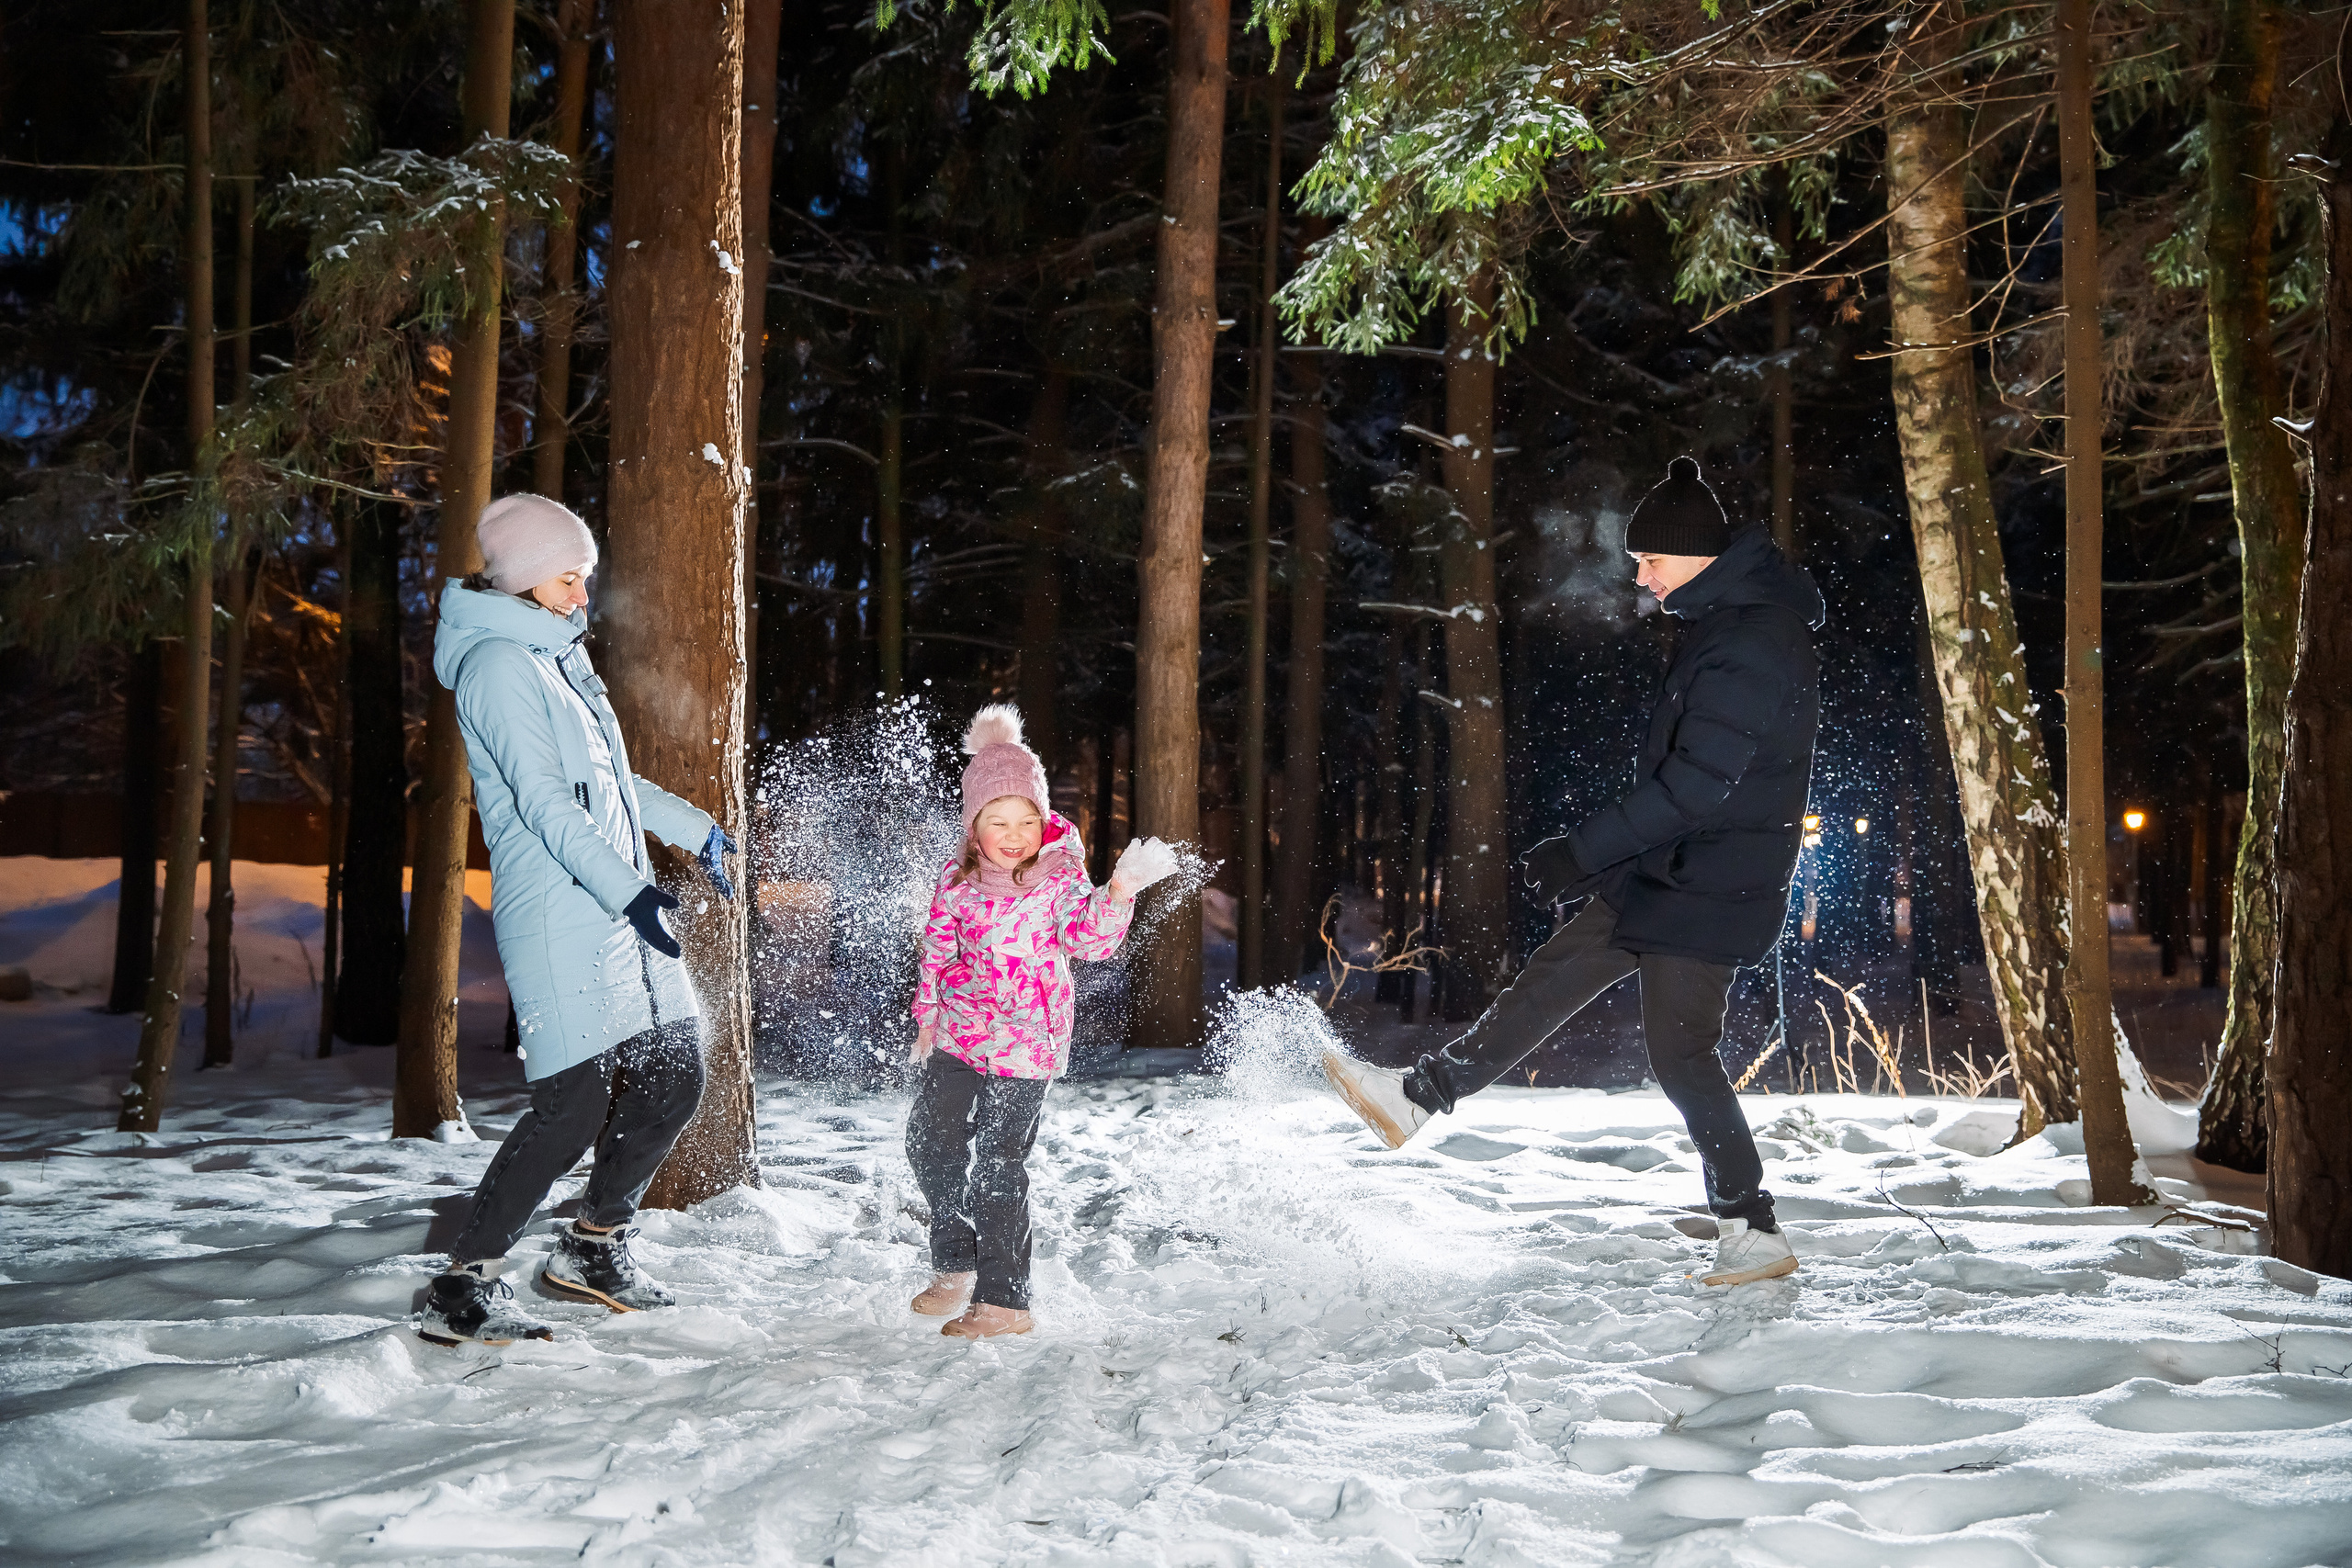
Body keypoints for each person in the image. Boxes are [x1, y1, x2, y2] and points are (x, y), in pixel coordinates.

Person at [1324, 457, 1825, 1289]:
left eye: (1652, 560)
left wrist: (1581, 851)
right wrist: (1598, 857)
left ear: (1699, 556)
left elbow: (1696, 787)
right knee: (1551, 977)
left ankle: (1754, 1230)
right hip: (1673, 867)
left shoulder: (1751, 642)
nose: (1640, 574)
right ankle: (1417, 1096)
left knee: (1682, 1054)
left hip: (1711, 883)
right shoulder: (1730, 624)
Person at [416, 493, 737, 1348]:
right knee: (571, 1105)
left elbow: (610, 787)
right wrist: (631, 893)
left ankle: (593, 1247)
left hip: (619, 903)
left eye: (585, 579)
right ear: (525, 579)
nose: (582, 596)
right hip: (563, 914)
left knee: (677, 1070)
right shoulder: (496, 666)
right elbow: (549, 806)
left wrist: (692, 827)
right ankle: (462, 1285)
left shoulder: (557, 660)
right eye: (569, 578)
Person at [905, 705, 1179, 1338]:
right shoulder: (957, 879)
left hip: (1028, 1042)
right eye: (997, 820)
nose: (1013, 832)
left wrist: (1118, 893)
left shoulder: (1058, 878)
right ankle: (955, 1258)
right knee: (929, 1140)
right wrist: (928, 1017)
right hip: (961, 1033)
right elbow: (938, 951)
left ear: (1043, 819)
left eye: (1026, 819)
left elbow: (1090, 941)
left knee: (999, 1160)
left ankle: (1005, 1301)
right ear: (975, 824)